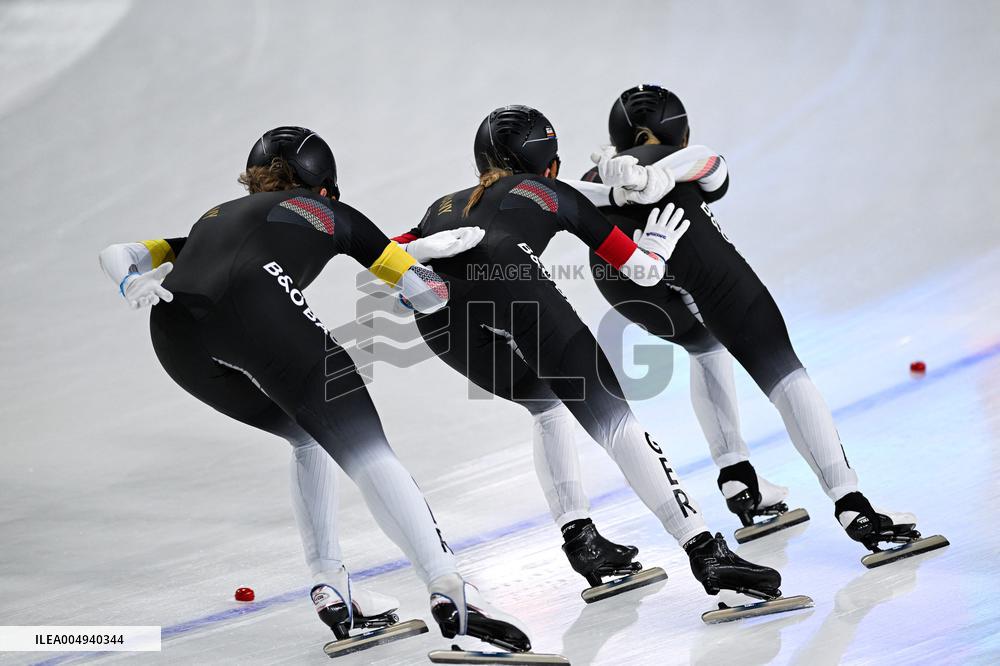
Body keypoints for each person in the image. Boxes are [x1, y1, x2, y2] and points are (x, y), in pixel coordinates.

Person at [97, 126, 535, 655]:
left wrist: (128, 283)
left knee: (308, 437)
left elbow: (117, 253)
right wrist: (431, 258)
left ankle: (331, 587)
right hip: (262, 309)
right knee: (367, 449)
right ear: (325, 187)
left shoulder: (213, 217)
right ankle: (451, 592)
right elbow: (425, 295)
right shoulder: (336, 216)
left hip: (174, 335)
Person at [391, 105, 809, 621]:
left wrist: (412, 262)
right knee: (616, 423)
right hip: (514, 287)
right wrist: (655, 244)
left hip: (440, 320)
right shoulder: (554, 192)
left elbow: (389, 257)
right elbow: (644, 271)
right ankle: (707, 555)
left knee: (547, 407)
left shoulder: (444, 204)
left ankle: (582, 541)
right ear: (550, 165)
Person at [576, 85, 947, 566]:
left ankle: (739, 480)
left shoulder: (597, 174)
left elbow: (561, 199)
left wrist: (610, 187)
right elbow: (713, 168)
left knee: (704, 345)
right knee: (782, 367)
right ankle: (854, 507)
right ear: (678, 130)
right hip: (686, 252)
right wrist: (654, 176)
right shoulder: (686, 153)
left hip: (621, 279)